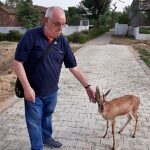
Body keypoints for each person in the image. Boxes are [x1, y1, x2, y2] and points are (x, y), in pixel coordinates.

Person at [13, 6, 96, 150]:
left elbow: (73, 67)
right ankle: (37, 147)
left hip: (52, 92)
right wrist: (27, 88)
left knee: (47, 116)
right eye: (58, 24)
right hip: (33, 93)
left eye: (64, 24)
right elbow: (17, 62)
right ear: (46, 20)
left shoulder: (62, 41)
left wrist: (87, 87)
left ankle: (47, 137)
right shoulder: (31, 36)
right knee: (34, 122)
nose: (61, 28)